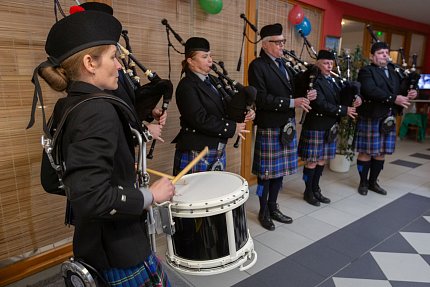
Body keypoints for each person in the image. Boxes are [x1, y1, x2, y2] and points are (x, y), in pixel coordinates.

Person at [35, 10, 175, 286]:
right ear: (90, 62)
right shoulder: (97, 111)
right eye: (113, 57)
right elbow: (91, 198)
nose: (120, 66)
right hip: (118, 249)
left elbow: (53, 179)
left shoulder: (67, 105)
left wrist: (117, 172)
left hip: (93, 243)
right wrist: (149, 195)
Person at [248, 23, 314, 231]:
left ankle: (273, 207)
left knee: (280, 172)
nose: (282, 46)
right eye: (279, 42)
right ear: (266, 44)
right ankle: (263, 210)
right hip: (270, 125)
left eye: (283, 42)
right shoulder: (257, 66)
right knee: (266, 174)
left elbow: (294, 88)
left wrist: (308, 89)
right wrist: (292, 103)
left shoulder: (284, 64)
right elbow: (262, 98)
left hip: (286, 125)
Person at [79, 1, 170, 143]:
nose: (117, 64)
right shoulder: (90, 82)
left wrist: (149, 111)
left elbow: (127, 99)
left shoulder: (112, 65)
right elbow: (111, 126)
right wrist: (144, 131)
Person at [172, 37, 253, 175]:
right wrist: (232, 127)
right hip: (196, 149)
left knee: (215, 193)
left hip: (217, 147)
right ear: (190, 61)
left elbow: (230, 105)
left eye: (210, 56)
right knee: (195, 196)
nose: (210, 60)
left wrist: (247, 110)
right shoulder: (186, 86)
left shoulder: (214, 80)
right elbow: (199, 119)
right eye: (204, 57)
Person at [298, 50, 362, 206]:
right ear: (318, 63)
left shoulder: (333, 80)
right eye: (326, 63)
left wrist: (356, 96)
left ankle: (316, 188)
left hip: (329, 125)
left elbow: (347, 92)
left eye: (331, 64)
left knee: (321, 160)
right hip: (315, 125)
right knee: (311, 162)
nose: (329, 66)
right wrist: (343, 110)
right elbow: (320, 104)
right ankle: (308, 191)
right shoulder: (313, 80)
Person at [356, 42, 417, 195]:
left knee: (381, 152)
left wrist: (412, 92)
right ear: (372, 56)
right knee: (366, 151)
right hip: (372, 115)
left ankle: (373, 182)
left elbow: (402, 89)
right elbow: (370, 90)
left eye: (386, 52)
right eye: (380, 52)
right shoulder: (366, 71)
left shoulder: (394, 71)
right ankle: (363, 182)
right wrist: (394, 98)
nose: (384, 55)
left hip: (388, 116)